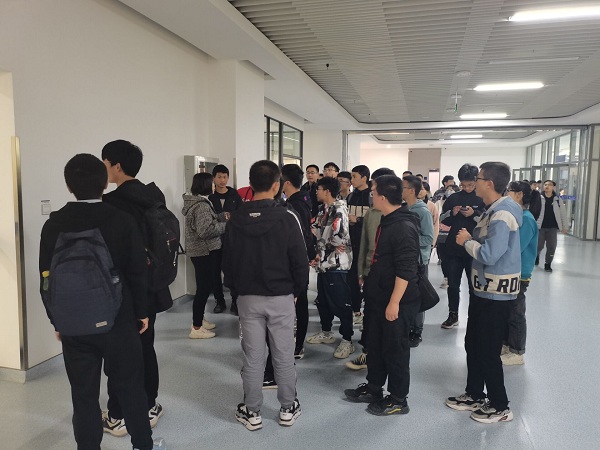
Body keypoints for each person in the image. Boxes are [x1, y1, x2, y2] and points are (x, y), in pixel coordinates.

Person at [39, 154, 163, 450]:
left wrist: (57, 320)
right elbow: (137, 271)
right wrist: (142, 312)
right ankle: (142, 445)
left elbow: (45, 277)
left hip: (74, 324)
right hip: (119, 320)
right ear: (105, 183)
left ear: (69, 186)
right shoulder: (120, 219)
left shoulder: (53, 224)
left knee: (83, 395)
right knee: (130, 387)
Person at [223, 160, 308, 431]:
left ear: (251, 183)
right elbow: (300, 260)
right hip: (281, 296)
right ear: (276, 185)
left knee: (252, 356)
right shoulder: (287, 217)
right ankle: (287, 408)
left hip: (248, 297)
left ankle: (252, 411)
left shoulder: (236, 219)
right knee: (283, 354)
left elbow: (227, 263)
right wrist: (297, 291)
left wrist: (236, 293)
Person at [101, 140, 170, 435]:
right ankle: (149, 404)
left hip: (122, 290)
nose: (103, 168)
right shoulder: (153, 195)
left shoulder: (111, 203)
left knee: (119, 353)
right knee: (145, 346)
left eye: (104, 163)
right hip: (151, 286)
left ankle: (117, 414)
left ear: (116, 166)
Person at [446, 161, 521, 424]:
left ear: (488, 183)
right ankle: (475, 394)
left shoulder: (503, 213)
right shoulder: (493, 209)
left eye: (477, 179)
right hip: (483, 290)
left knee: (488, 351)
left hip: (495, 294)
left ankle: (500, 406)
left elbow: (490, 254)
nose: (472, 183)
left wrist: (467, 241)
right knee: (473, 344)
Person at [344, 175, 421, 416]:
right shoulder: (387, 219)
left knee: (395, 349)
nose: (371, 196)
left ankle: (398, 398)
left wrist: (394, 302)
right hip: (378, 296)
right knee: (375, 345)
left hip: (395, 301)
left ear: (383, 197)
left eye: (374, 192)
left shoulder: (404, 226)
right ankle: (374, 387)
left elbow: (406, 269)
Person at [347, 168, 395, 371]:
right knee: (371, 317)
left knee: (388, 321)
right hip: (370, 273)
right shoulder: (371, 214)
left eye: (374, 189)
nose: (371, 192)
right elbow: (365, 246)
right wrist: (361, 271)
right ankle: (368, 354)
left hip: (391, 277)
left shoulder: (404, 216)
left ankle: (383, 358)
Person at [306, 176, 355, 359]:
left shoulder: (339, 209)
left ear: (327, 191)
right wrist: (321, 249)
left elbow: (339, 237)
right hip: (324, 263)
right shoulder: (323, 209)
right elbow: (315, 229)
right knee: (323, 301)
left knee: (341, 303)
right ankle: (326, 332)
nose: (316, 192)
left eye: (318, 189)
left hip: (337, 265)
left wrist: (325, 244)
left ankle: (347, 340)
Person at [439, 164, 485, 329]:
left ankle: (475, 317)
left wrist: (474, 214)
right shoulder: (453, 198)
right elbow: (442, 219)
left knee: (474, 287)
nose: (466, 188)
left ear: (476, 181)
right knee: (453, 285)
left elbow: (487, 222)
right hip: (453, 249)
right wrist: (452, 213)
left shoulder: (482, 198)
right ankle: (453, 315)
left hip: (474, 249)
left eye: (470, 185)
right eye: (463, 185)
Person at [183, 172, 227, 339]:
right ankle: (196, 327)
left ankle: (199, 319)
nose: (216, 185)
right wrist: (226, 225)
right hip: (204, 251)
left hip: (201, 251)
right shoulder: (201, 205)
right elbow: (205, 230)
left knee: (204, 286)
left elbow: (207, 222)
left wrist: (221, 217)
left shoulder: (198, 202)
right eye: (213, 182)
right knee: (203, 288)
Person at [503, 181, 540, 365]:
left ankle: (517, 351)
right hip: (511, 270)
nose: (506, 194)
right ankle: (507, 344)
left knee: (516, 312)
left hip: (519, 273)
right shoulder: (517, 215)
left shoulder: (526, 219)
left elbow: (516, 247)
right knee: (507, 310)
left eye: (509, 191)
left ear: (519, 195)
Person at [402, 175, 434, 348]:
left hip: (418, 261)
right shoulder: (403, 208)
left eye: (403, 187)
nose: (400, 190)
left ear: (411, 190)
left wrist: (407, 241)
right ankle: (407, 327)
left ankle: (417, 331)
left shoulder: (423, 211)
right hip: (405, 259)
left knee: (418, 296)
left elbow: (428, 238)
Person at [209, 164, 242, 315]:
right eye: (219, 177)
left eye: (225, 177)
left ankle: (235, 301)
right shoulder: (210, 198)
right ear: (214, 178)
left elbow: (241, 215)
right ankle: (219, 301)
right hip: (215, 239)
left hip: (233, 240)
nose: (222, 180)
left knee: (233, 271)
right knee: (214, 272)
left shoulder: (235, 196)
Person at [347, 165, 371, 323]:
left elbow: (376, 220)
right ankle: (355, 310)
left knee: (367, 278)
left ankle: (367, 313)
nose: (352, 180)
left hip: (367, 244)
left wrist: (358, 220)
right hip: (352, 243)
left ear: (364, 178)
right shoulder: (351, 196)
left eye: (354, 176)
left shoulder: (372, 197)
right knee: (352, 278)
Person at [536, 180, 568, 272]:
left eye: (549, 185)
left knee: (552, 247)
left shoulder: (558, 200)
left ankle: (548, 264)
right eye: (545, 184)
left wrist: (564, 227)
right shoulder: (539, 198)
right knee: (538, 246)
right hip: (540, 227)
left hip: (552, 228)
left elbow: (563, 214)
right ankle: (536, 256)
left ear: (553, 187)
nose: (547, 186)